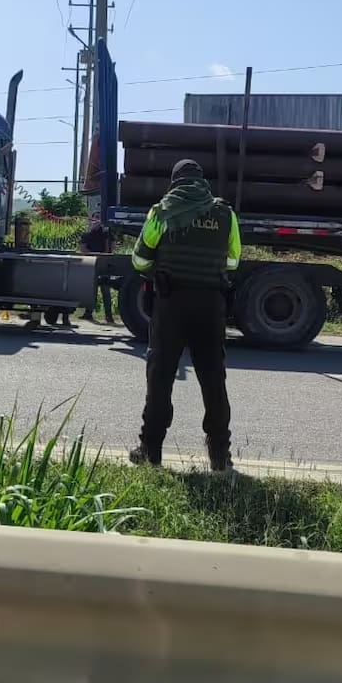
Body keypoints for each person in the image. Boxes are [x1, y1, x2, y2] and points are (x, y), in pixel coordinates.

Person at [129, 159, 241, 473]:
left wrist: (160, 265)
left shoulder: (160, 212)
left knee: (161, 377)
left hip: (171, 304)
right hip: (210, 306)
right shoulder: (225, 214)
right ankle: (220, 457)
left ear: (175, 181)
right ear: (202, 182)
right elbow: (233, 261)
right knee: (213, 379)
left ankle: (150, 451)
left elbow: (139, 260)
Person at [79, 213, 115, 324]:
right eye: (94, 218)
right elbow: (83, 248)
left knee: (105, 290)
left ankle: (109, 316)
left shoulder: (106, 233)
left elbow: (111, 247)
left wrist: (102, 256)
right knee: (91, 289)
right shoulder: (87, 233)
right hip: (92, 263)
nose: (96, 220)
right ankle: (88, 313)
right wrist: (93, 256)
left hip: (104, 264)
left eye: (98, 218)